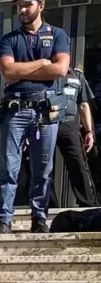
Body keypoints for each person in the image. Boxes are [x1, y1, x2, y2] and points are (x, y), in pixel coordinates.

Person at [0, 0, 70, 234]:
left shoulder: (57, 34)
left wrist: (22, 70)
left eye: (27, 4)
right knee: (8, 167)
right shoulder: (9, 39)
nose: (23, 10)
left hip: (45, 110)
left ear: (41, 5)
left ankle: (39, 218)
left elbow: (60, 69)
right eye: (18, 7)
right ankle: (4, 220)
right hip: (14, 109)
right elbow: (7, 71)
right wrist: (42, 63)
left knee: (43, 169)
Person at [48, 67, 96, 207]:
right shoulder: (44, 71)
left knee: (78, 165)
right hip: (47, 124)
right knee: (44, 167)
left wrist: (89, 131)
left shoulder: (77, 75)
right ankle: (49, 206)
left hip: (69, 126)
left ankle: (87, 204)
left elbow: (83, 105)